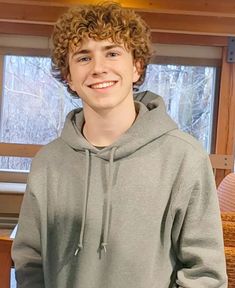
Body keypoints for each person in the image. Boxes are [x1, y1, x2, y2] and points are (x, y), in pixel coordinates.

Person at [12, 2, 228, 288]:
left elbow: (205, 275)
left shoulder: (185, 158)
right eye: (83, 58)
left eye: (112, 53)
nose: (99, 68)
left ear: (137, 67)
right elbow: (29, 263)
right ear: (69, 77)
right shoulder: (48, 162)